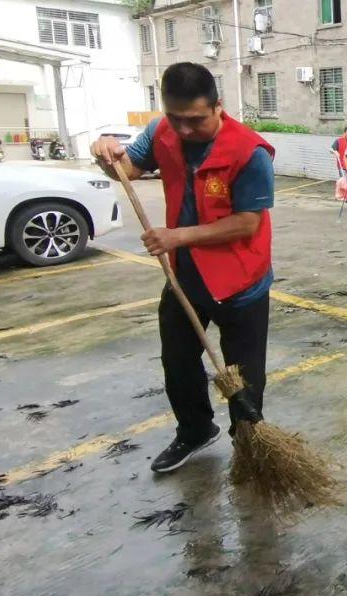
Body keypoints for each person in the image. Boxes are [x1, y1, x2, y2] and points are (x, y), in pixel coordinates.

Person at [90, 62, 275, 473]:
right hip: (184, 275)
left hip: (241, 281)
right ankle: (194, 430)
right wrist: (106, 152)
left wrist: (178, 236)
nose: (185, 130)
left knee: (244, 374)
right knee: (178, 361)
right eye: (176, 119)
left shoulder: (249, 152)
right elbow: (130, 168)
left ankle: (249, 443)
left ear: (218, 107)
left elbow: (248, 222)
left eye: (195, 120)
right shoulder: (163, 131)